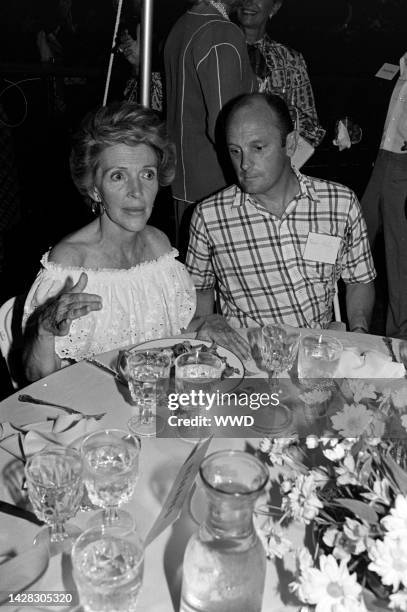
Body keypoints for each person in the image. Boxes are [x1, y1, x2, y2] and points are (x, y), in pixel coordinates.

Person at [22, 102, 196, 382]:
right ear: (94, 188)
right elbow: (37, 378)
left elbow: (177, 339)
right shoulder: (70, 263)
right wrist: (43, 330)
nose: (136, 192)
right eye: (118, 176)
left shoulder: (160, 248)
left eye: (147, 174)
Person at [186, 93, 375, 347]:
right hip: (250, 358)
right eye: (234, 151)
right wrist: (207, 330)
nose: (244, 164)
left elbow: (359, 280)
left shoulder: (339, 203)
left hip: (316, 353)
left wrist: (359, 332)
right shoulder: (210, 217)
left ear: (291, 143)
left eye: (258, 148)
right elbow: (200, 290)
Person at [164, 0, 255, 255]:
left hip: (185, 181)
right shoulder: (220, 31)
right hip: (219, 186)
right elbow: (225, 125)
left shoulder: (184, 23)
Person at [233, 0, 325, 150]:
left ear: (275, 7)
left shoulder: (290, 60)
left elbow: (312, 130)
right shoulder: (219, 50)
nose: (248, 2)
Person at [361, 53, 407, 340]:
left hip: (403, 166)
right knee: (348, 245)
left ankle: (400, 342)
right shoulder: (386, 56)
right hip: (371, 162)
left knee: (401, 259)